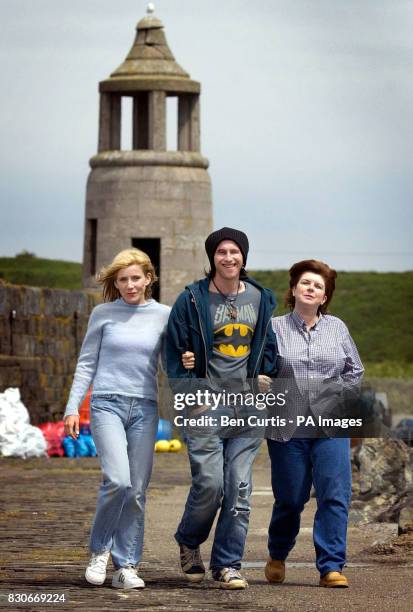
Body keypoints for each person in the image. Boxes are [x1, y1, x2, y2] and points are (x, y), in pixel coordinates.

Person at [167, 227, 277, 589]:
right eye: (221, 253)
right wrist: (191, 392)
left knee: (240, 488)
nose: (228, 258)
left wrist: (265, 374)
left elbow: (269, 348)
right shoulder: (193, 300)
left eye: (234, 252)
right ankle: (189, 539)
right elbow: (174, 353)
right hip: (205, 405)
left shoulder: (261, 297)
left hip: (249, 406)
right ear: (212, 257)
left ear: (244, 256)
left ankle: (228, 564)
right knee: (210, 484)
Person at [63, 248, 170, 590]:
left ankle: (127, 567)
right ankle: (99, 551)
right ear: (116, 282)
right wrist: (70, 407)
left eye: (135, 278)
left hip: (145, 407)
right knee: (118, 480)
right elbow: (86, 364)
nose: (129, 284)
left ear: (149, 278)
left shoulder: (164, 315)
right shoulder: (103, 313)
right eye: (123, 279)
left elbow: (170, 366)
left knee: (137, 491)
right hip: (106, 403)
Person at [264, 259, 364, 589]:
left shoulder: (337, 328)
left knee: (334, 494)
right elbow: (259, 369)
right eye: (305, 283)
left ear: (324, 297)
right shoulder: (274, 328)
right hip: (286, 425)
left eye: (318, 286)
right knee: (291, 497)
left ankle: (331, 566)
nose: (311, 288)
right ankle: (278, 553)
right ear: (293, 290)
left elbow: (355, 371)